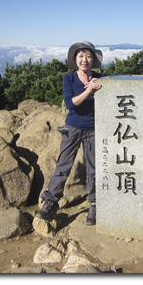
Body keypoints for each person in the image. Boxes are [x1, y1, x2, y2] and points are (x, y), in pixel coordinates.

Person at [36, 41, 103, 225]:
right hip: (72, 127)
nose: (85, 60)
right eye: (81, 56)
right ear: (75, 59)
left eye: (89, 56)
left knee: (94, 168)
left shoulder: (100, 78)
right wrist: (89, 90)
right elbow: (70, 103)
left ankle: (94, 204)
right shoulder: (69, 78)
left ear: (93, 59)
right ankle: (50, 201)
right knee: (63, 164)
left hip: (94, 128)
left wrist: (99, 91)